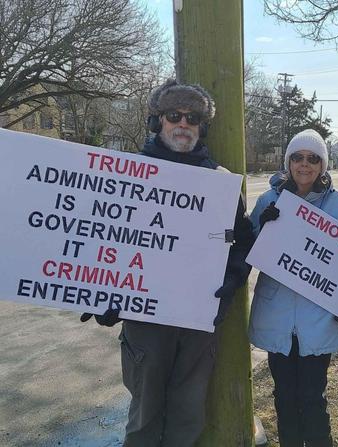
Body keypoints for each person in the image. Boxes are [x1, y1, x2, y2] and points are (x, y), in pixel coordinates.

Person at [81, 79, 254, 447]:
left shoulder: (221, 184)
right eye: (174, 115)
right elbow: (102, 241)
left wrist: (233, 279)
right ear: (157, 121)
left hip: (197, 320)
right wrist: (102, 296)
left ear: (201, 127)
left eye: (192, 118)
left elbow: (242, 243)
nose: (183, 124)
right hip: (146, 320)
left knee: (187, 417)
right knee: (144, 418)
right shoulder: (127, 176)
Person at [249, 129, 338, 447]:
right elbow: (244, 251)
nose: (305, 165)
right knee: (284, 397)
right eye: (298, 157)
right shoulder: (268, 199)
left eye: (313, 159)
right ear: (288, 161)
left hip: (319, 317)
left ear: (323, 165)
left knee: (313, 396)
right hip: (277, 315)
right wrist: (261, 229)